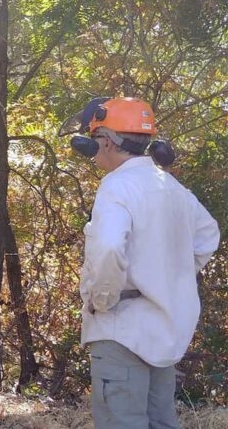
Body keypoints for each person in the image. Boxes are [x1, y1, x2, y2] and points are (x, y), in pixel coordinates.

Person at [63, 96, 220, 428]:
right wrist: (167, 277)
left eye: (94, 140)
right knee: (160, 422)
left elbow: (106, 248)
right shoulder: (173, 187)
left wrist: (103, 300)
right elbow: (208, 237)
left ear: (106, 141)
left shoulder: (117, 186)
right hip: (163, 330)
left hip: (122, 329)